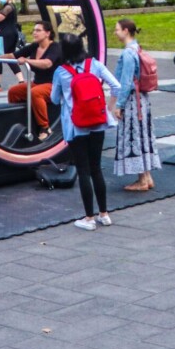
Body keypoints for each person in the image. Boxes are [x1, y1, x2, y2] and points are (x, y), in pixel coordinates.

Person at [51, 33, 120, 230]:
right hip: (98, 122)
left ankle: (88, 218)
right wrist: (107, 108)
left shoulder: (61, 72)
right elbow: (116, 86)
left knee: (83, 170)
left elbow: (55, 99)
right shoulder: (95, 65)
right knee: (96, 167)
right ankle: (104, 214)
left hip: (76, 125)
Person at [113, 18, 161, 191]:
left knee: (134, 137)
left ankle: (141, 180)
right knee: (143, 136)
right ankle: (147, 177)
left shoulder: (127, 53)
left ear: (126, 31)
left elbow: (126, 82)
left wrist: (119, 104)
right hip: (142, 99)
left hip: (133, 101)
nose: (115, 32)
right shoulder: (137, 48)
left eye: (117, 29)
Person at [0, 21, 61, 140]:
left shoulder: (55, 47)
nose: (34, 33)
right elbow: (13, 56)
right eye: (34, 30)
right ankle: (20, 121)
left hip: (54, 84)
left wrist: (27, 61)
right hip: (38, 83)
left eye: (38, 30)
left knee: (35, 93)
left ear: (47, 33)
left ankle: (45, 128)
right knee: (14, 92)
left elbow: (47, 63)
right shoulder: (35, 46)